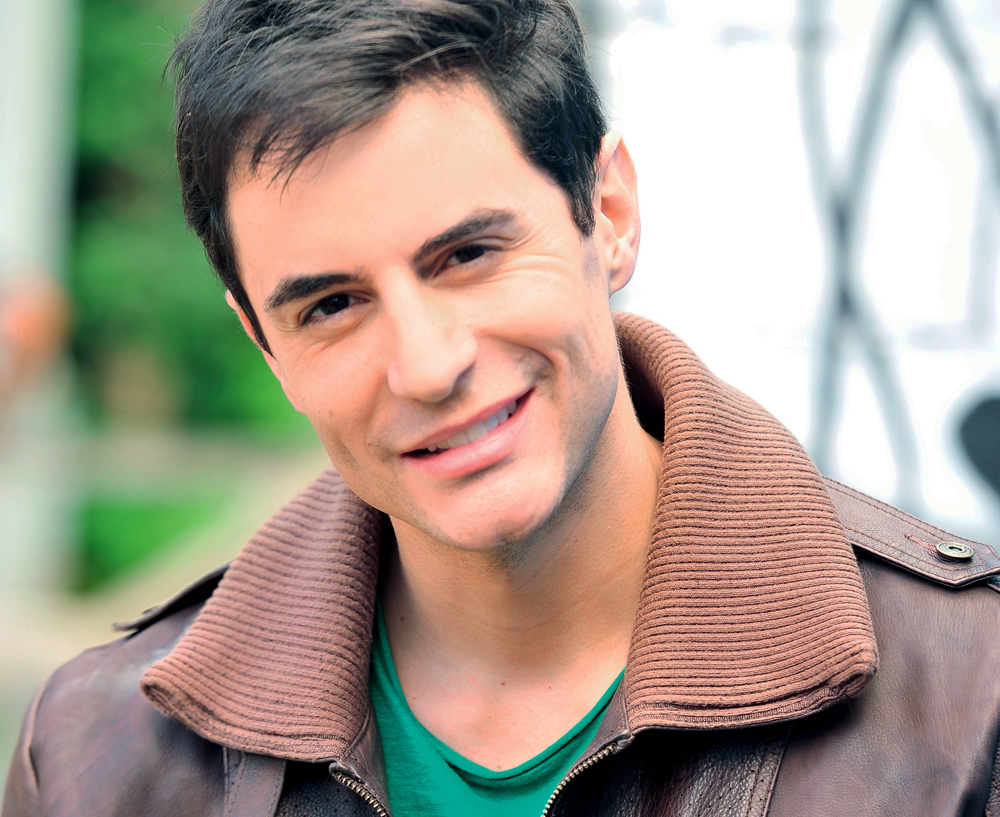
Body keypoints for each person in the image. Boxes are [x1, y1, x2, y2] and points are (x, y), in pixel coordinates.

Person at [4, 0, 1000, 814]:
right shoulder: (98, 756)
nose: (427, 365)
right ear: (264, 343)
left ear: (608, 214)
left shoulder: (969, 706)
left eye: (468, 254)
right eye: (332, 306)